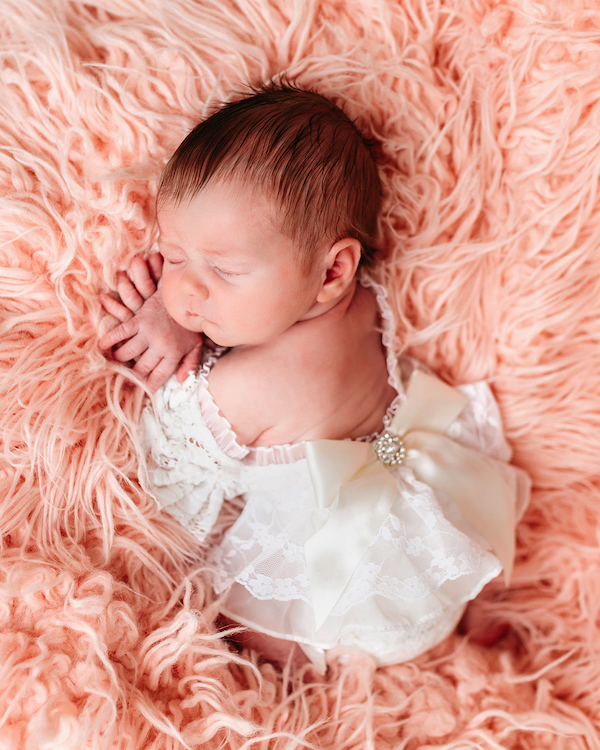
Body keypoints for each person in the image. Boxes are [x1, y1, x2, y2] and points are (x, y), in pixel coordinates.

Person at [99, 82, 530, 672]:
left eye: (223, 269)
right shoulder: (366, 306)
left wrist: (168, 338)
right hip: (436, 545)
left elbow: (164, 478)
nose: (185, 289)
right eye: (172, 256)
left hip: (334, 592)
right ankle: (479, 611)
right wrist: (200, 312)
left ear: (333, 270)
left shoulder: (247, 388)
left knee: (230, 634)